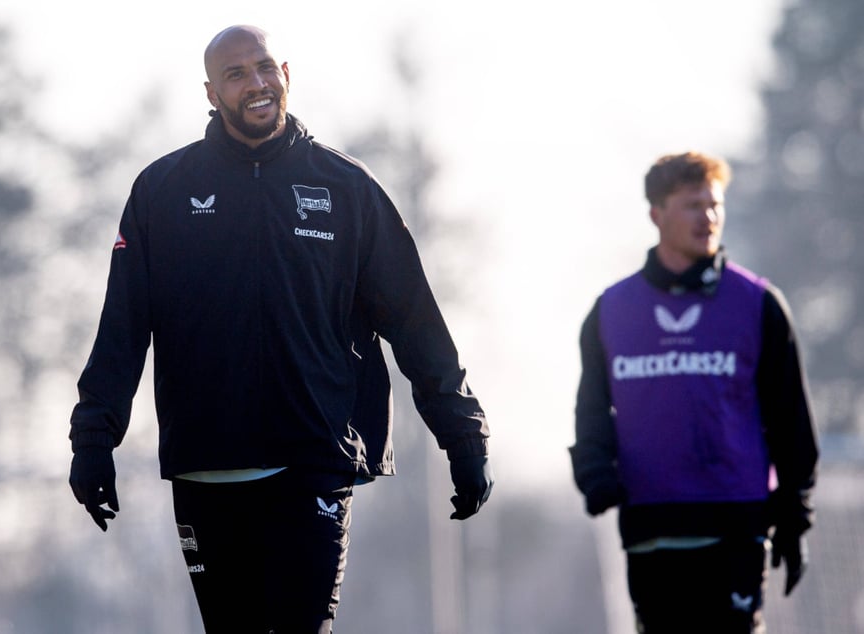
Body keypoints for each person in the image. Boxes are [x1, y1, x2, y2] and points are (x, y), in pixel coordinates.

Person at [67, 24, 492, 634]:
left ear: (286, 74)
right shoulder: (162, 190)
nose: (256, 84)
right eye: (236, 75)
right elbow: (122, 330)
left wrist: (465, 438)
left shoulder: (347, 189)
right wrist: (93, 441)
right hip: (205, 467)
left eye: (264, 68)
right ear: (211, 93)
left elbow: (416, 322)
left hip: (313, 460)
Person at [569, 151, 818, 633]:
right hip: (651, 526)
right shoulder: (611, 311)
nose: (708, 217)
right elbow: (592, 410)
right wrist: (595, 471)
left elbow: (791, 421)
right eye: (691, 205)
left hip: (736, 525)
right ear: (656, 214)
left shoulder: (758, 304)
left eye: (715, 204)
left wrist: (794, 514)